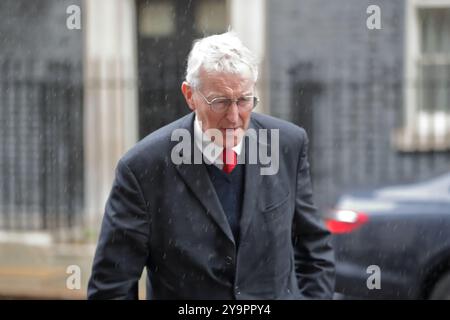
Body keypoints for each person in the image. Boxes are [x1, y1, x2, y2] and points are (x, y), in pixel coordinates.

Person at [87, 32, 335, 299]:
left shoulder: (288, 144)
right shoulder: (142, 167)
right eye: (220, 102)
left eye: (243, 100)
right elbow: (111, 286)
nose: (233, 116)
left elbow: (313, 249)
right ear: (190, 95)